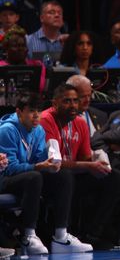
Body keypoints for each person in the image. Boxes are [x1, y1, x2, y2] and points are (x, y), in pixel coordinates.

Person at [0, 93, 92, 255]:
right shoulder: (7, 130)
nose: (36, 116)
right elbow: (10, 168)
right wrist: (38, 166)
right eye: (31, 111)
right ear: (19, 112)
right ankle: (28, 235)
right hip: (5, 179)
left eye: (38, 111)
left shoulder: (38, 130)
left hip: (28, 177)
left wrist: (50, 164)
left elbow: (39, 159)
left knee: (64, 175)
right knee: (34, 176)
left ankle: (60, 235)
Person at [40, 83, 119, 249]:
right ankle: (61, 235)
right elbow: (54, 162)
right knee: (66, 176)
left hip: (73, 173)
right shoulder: (46, 119)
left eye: (75, 101)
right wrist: (88, 166)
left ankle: (92, 234)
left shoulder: (80, 122)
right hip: (48, 174)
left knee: (112, 178)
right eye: (67, 101)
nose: (73, 105)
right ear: (55, 103)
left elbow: (84, 157)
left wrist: (98, 161)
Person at [26, 0, 67, 64]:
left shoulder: (67, 42)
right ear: (42, 18)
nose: (57, 15)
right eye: (52, 12)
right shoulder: (28, 41)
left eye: (60, 13)